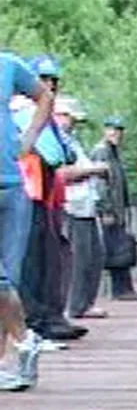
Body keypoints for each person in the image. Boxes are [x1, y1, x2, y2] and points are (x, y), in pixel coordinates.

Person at [13, 54, 84, 342]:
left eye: (53, 80)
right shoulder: (24, 110)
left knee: (46, 259)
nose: (50, 85)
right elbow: (57, 153)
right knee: (32, 261)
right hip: (27, 194)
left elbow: (64, 153)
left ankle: (46, 318)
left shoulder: (39, 112)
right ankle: (36, 322)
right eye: (43, 79)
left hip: (42, 194)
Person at [0, 52, 53, 391]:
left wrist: (30, 138)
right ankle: (25, 344)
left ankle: (17, 352)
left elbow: (45, 97)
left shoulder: (8, 65)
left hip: (12, 188)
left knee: (5, 282)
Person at [55, 96, 110, 320]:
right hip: (70, 205)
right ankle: (71, 306)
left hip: (86, 205)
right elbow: (62, 174)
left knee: (93, 257)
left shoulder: (72, 141)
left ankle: (85, 303)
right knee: (75, 260)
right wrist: (94, 170)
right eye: (69, 118)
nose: (73, 124)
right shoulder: (53, 140)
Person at [92, 115, 137, 301]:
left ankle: (124, 287)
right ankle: (120, 289)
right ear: (105, 130)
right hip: (110, 210)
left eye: (119, 130)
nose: (116, 134)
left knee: (121, 247)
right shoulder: (102, 152)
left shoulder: (113, 152)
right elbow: (100, 183)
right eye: (112, 130)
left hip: (118, 209)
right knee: (115, 249)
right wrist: (105, 209)